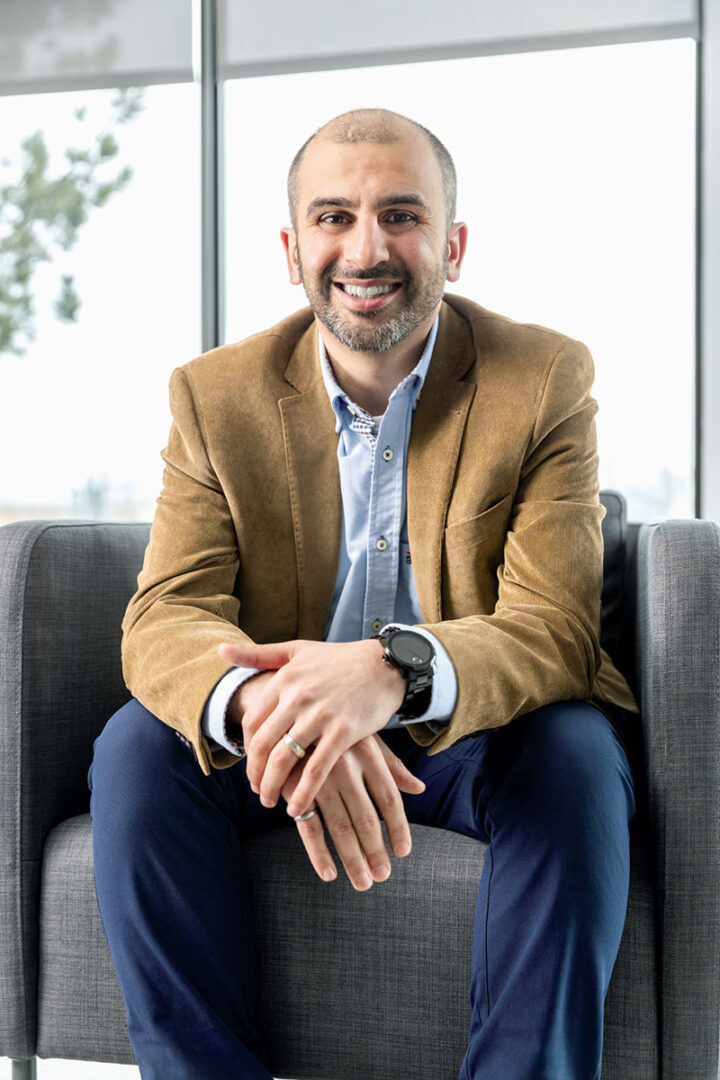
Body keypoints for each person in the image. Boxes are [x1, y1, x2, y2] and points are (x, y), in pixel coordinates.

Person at [88, 108, 639, 1079]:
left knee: (575, 754)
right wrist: (274, 708)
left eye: (402, 215)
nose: (368, 247)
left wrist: (389, 672)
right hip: (280, 747)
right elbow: (165, 613)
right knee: (138, 749)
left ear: (454, 246)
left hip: (470, 736)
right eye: (336, 216)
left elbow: (553, 629)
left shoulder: (544, 380)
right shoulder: (214, 397)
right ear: (294, 246)